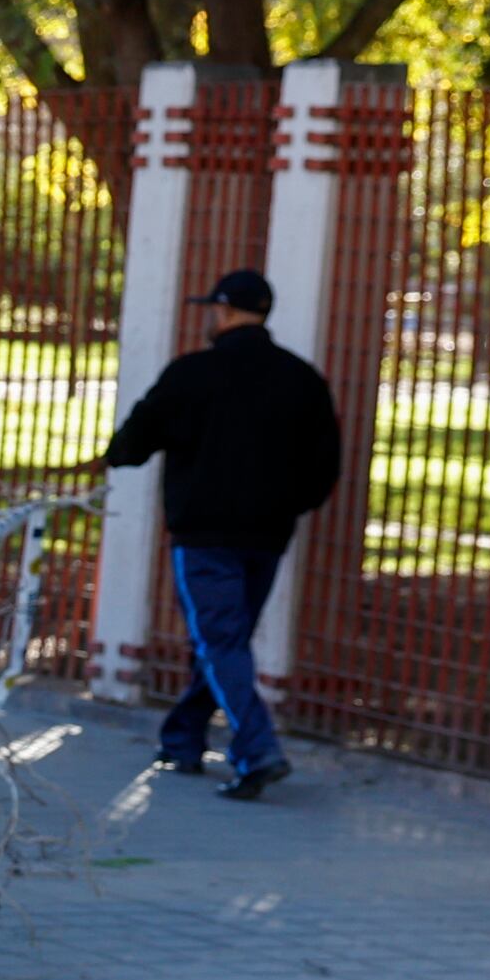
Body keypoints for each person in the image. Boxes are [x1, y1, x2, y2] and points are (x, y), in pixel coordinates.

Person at [99, 266, 346, 799]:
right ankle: (183, 737)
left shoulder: (192, 374)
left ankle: (256, 751)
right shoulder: (302, 379)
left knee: (219, 642)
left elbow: (131, 444)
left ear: (226, 312)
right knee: (223, 642)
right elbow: (326, 464)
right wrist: (290, 505)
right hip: (268, 534)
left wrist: (116, 455)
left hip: (204, 535)